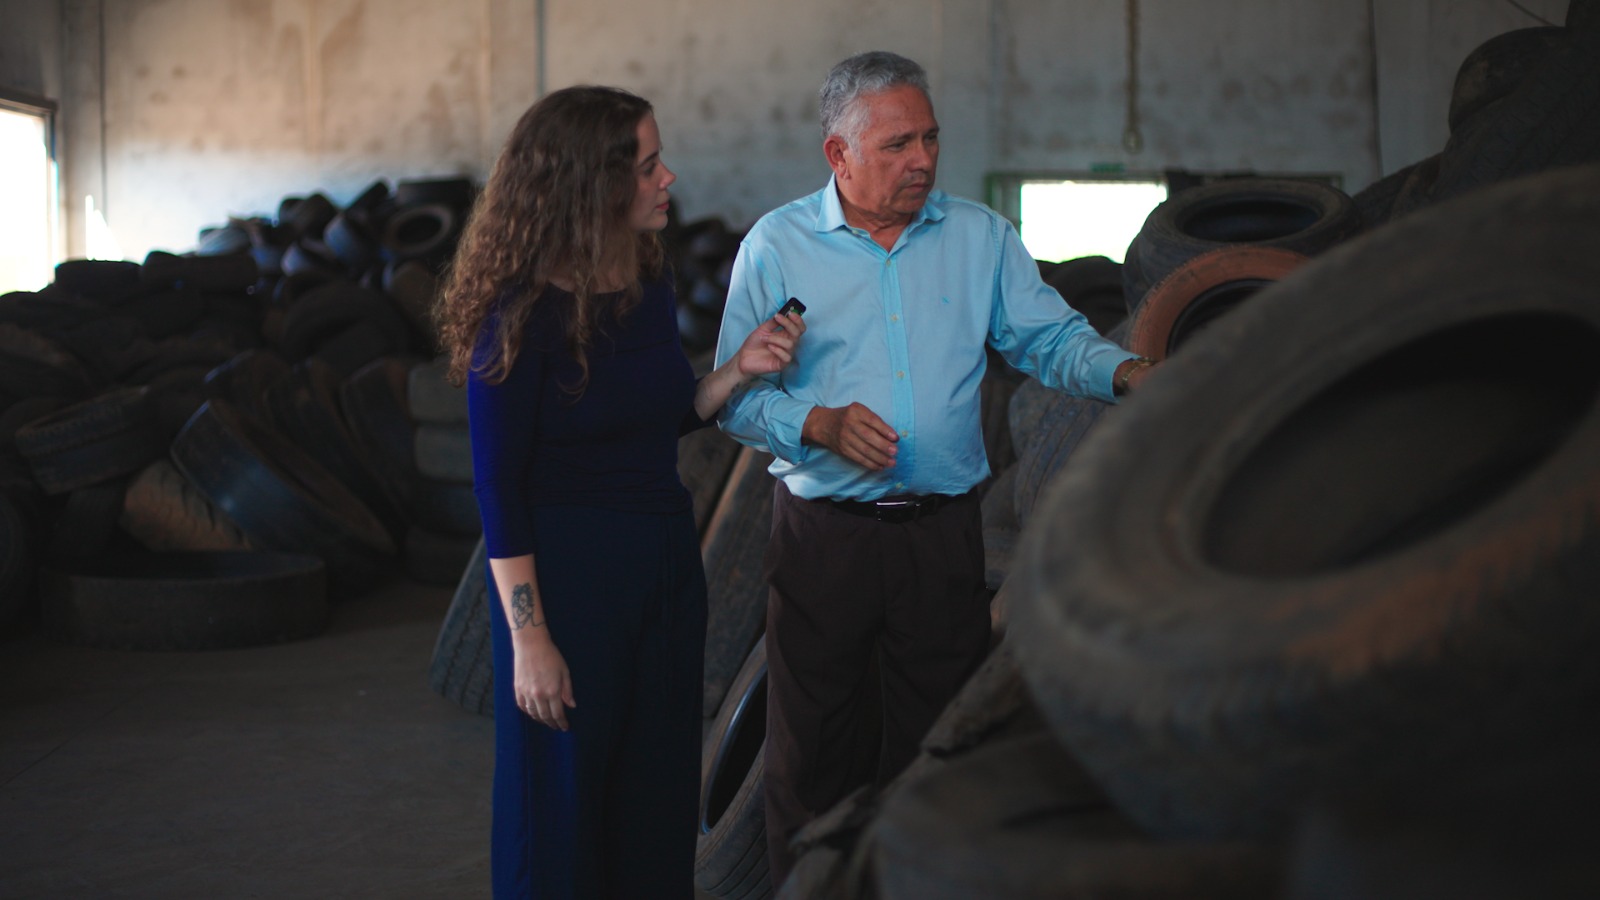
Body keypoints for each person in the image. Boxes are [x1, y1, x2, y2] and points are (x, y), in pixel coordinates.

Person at [712, 51, 1156, 882]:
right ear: (838, 155)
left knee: (938, 749)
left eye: (930, 138)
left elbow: (1051, 341)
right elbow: (733, 401)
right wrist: (816, 424)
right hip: (825, 542)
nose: (922, 160)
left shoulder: (979, 237)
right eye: (896, 145)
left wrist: (1128, 371)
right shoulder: (778, 246)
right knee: (812, 755)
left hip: (942, 538)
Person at [435, 85, 805, 900]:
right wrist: (530, 639)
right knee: (560, 805)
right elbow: (499, 489)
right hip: (569, 583)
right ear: (591, 184)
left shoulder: (644, 284)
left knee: (656, 796)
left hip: (664, 568)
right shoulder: (515, 316)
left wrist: (738, 370)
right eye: (647, 165)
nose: (667, 178)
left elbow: (662, 417)